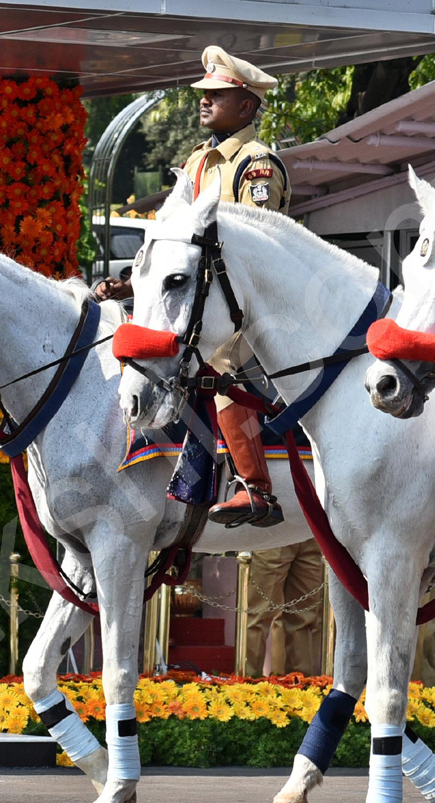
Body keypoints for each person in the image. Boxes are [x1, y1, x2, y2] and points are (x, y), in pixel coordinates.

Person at [97, 46, 290, 527]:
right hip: (197, 301)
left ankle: (254, 487)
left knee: (220, 359)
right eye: (203, 94)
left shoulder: (257, 164)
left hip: (248, 304)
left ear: (246, 106)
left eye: (216, 95)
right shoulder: (198, 161)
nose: (203, 101)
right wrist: (129, 287)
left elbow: (259, 248)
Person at [246, 539, 324, 677]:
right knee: (258, 614)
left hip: (309, 533)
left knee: (305, 618)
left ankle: (302, 687)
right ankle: (247, 684)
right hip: (274, 532)